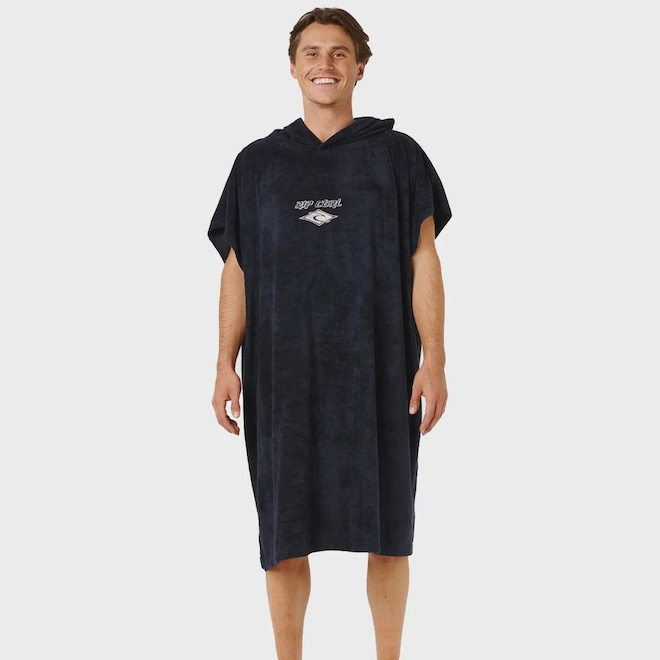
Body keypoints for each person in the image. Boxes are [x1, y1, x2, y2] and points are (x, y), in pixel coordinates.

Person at [208, 7, 452, 659]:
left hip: (380, 371)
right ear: (291, 68)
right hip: (282, 377)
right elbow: (237, 268)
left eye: (340, 53)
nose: (325, 64)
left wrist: (434, 360)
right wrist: (225, 362)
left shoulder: (398, 156)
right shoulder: (257, 164)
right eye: (311, 53)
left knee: (389, 531)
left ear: (361, 69)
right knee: (283, 535)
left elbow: (424, 258)